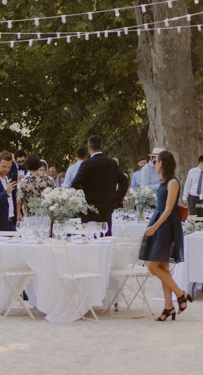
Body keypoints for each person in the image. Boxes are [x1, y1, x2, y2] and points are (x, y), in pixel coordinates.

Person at [138, 150, 189, 321]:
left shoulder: (173, 182)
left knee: (153, 265)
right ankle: (169, 307)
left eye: (156, 162)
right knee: (163, 267)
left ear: (162, 163)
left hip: (166, 225)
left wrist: (155, 226)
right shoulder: (164, 181)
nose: (154, 165)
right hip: (160, 221)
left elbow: (169, 209)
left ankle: (180, 294)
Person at [72, 135, 129, 233]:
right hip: (107, 207)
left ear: (89, 147)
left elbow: (75, 184)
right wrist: (117, 199)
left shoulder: (87, 164)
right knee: (106, 236)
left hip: (89, 208)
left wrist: (81, 200)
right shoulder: (111, 163)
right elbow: (124, 181)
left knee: (90, 237)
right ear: (101, 146)